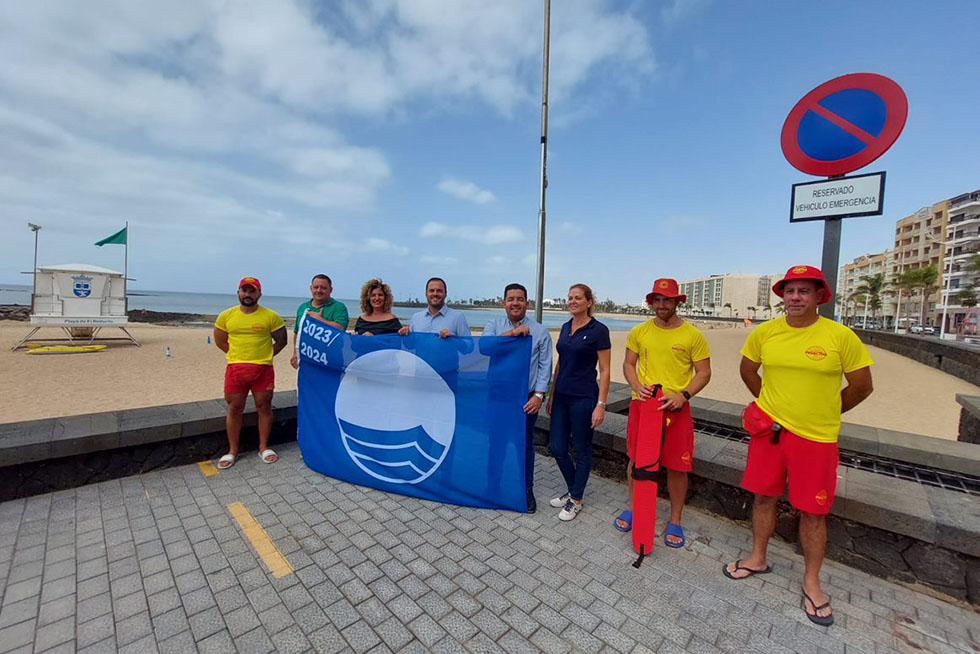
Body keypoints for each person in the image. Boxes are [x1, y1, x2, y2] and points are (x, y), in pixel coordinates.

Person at [723, 265, 873, 628]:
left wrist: (824, 410)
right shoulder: (766, 332)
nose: (795, 297)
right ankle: (758, 558)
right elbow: (747, 371)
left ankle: (812, 581)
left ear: (820, 296)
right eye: (790, 291)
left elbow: (862, 386)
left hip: (817, 438)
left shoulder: (840, 337)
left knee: (813, 512)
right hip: (769, 434)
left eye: (804, 291)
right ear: (782, 296)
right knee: (763, 498)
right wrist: (767, 404)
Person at [617, 278, 711, 547]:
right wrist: (636, 386)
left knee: (677, 467)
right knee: (636, 460)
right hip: (643, 406)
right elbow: (628, 364)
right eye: (656, 300)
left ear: (677, 302)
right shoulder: (640, 331)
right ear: (651, 302)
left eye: (667, 300)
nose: (661, 305)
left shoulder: (692, 335)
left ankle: (676, 520)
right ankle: (634, 509)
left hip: (676, 409)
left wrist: (683, 395)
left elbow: (704, 373)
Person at [483, 283, 553, 513]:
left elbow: (545, 366)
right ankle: (493, 488)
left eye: (520, 299)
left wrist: (540, 396)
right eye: (511, 299)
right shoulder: (494, 325)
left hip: (526, 398)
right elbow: (485, 348)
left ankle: (526, 490)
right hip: (498, 395)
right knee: (496, 444)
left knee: (524, 445)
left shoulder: (540, 331)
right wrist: (513, 334)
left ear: (527, 303)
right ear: (503, 303)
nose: (515, 303)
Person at [546, 283, 611, 521]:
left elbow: (604, 370)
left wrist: (601, 404)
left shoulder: (599, 330)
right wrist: (551, 394)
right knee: (557, 446)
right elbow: (560, 363)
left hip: (584, 398)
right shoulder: (565, 327)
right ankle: (574, 490)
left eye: (578, 298)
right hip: (561, 396)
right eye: (570, 297)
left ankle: (576, 499)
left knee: (582, 448)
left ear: (589, 302)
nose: (572, 301)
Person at [213, 277, 288, 469]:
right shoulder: (226, 316)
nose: (247, 295)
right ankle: (232, 451)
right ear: (238, 292)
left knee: (264, 407)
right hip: (235, 369)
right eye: (244, 291)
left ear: (259, 294)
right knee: (234, 409)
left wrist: (264, 356)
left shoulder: (271, 316)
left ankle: (263, 447)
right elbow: (221, 341)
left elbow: (281, 341)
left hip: (262, 370)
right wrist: (238, 356)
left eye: (252, 291)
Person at [291, 274, 349, 368]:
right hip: (307, 360)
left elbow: (340, 328)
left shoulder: (338, 307)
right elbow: (297, 332)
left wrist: (318, 319)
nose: (319, 290)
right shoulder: (303, 308)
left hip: (330, 360)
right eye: (316, 287)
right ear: (311, 288)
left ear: (330, 290)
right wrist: (295, 353)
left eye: (323, 288)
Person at [398, 277, 470, 337]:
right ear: (426, 294)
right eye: (431, 291)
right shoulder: (416, 318)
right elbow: (411, 346)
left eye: (439, 291)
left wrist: (453, 338)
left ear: (445, 294)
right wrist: (405, 335)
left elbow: (469, 347)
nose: (435, 294)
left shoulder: (458, 317)